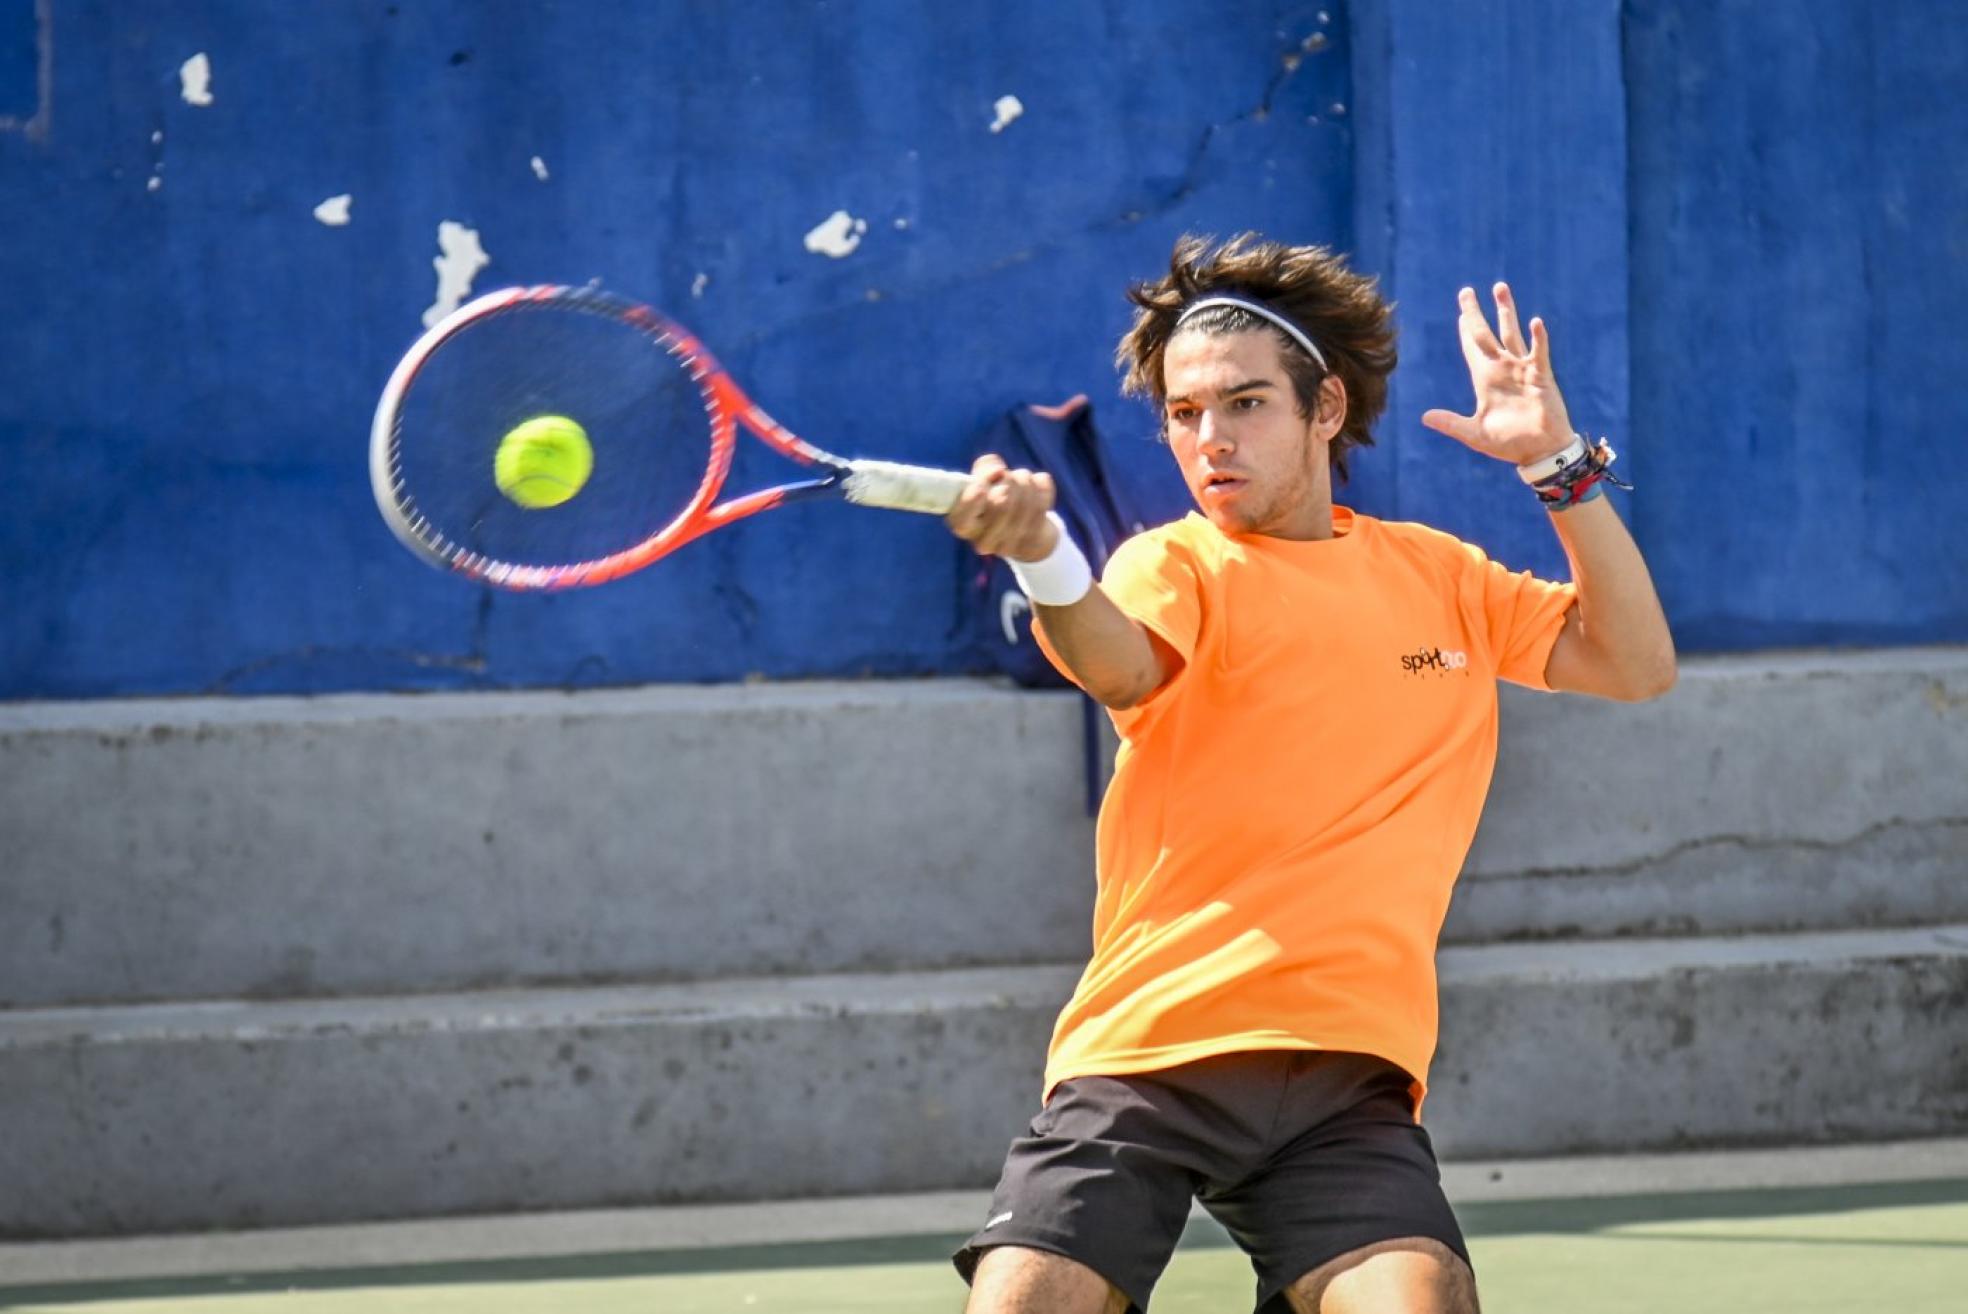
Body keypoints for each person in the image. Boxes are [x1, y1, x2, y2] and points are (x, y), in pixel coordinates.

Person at [942, 233, 1676, 1314]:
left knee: (1421, 1301)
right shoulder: (1173, 564)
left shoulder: (1440, 577)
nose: (1209, 440)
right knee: (1025, 1302)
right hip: (1149, 1052)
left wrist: (1554, 466)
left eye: (1244, 405)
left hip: (1347, 1077)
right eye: (1185, 415)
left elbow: (1635, 663)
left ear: (1325, 407)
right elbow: (1120, 662)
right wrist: (1042, 555)